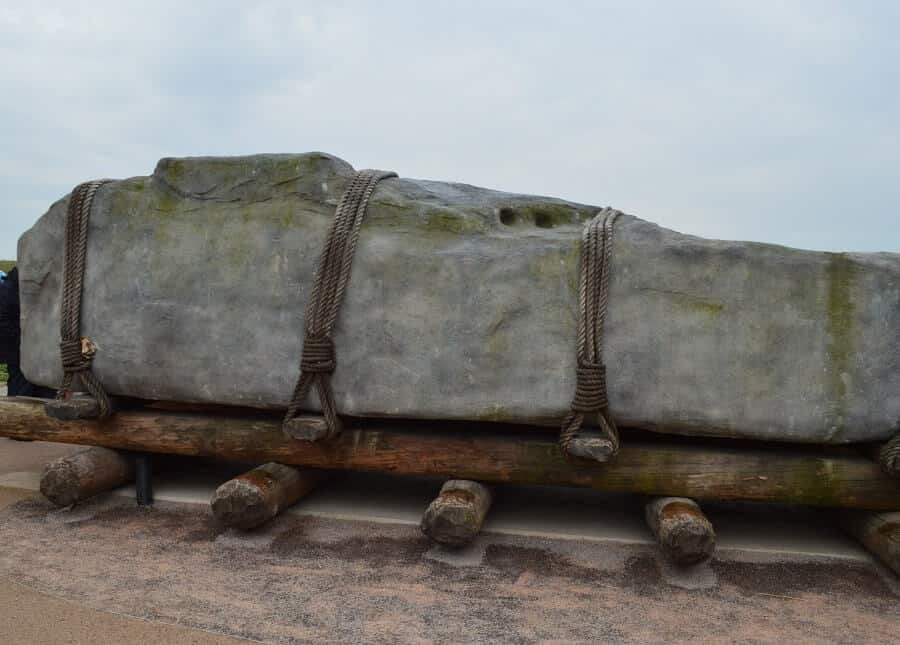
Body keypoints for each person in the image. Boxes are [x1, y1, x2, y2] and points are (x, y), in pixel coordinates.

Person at [0, 267, 55, 397]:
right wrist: (25, 340)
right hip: (20, 350)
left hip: (31, 349)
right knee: (23, 388)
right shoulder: (9, 291)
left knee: (35, 387)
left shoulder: (15, 288)